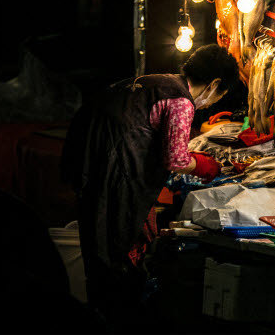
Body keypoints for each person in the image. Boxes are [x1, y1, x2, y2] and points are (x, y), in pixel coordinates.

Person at [63, 44, 237, 321]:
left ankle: (101, 315)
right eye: (220, 96)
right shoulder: (181, 101)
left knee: (98, 254)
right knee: (119, 257)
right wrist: (206, 165)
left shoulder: (151, 82)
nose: (213, 103)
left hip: (89, 170)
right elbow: (176, 159)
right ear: (215, 84)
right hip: (117, 177)